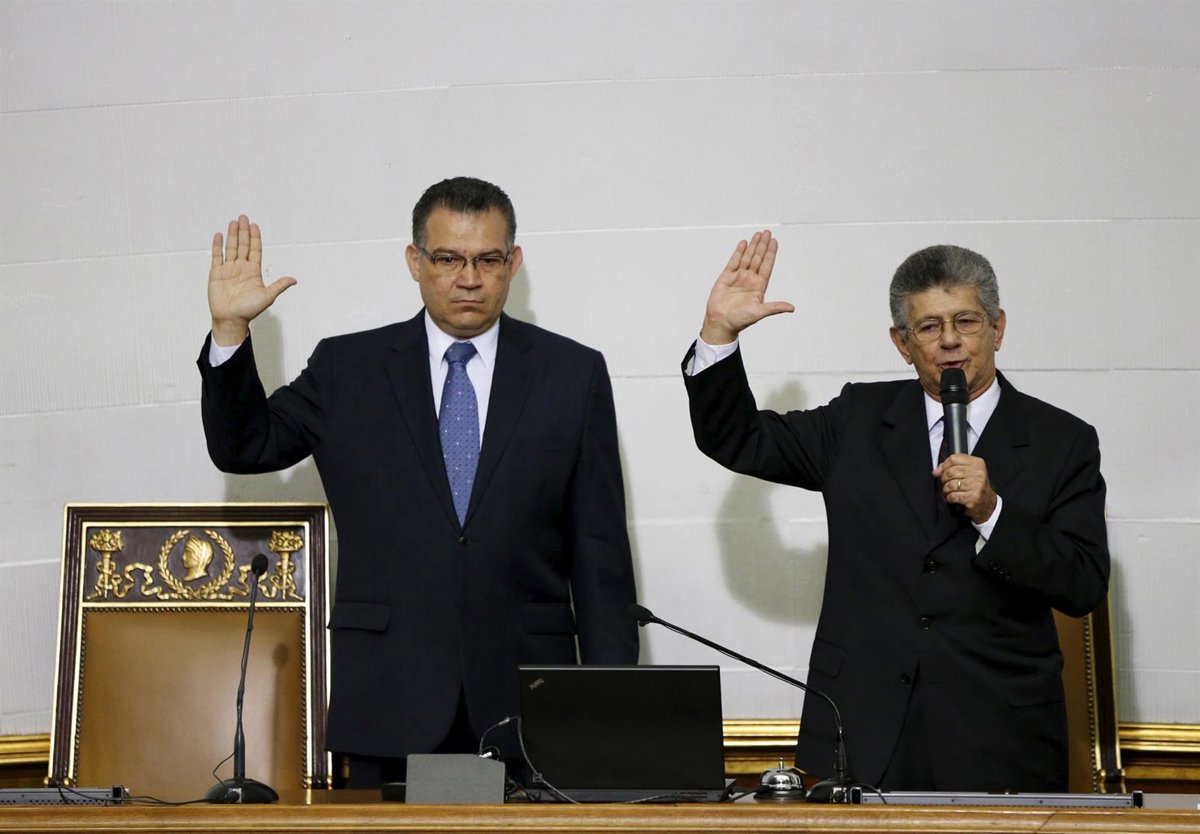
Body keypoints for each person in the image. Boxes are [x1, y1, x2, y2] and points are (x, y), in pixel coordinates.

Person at [198, 177, 639, 787]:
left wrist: (611, 708)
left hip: (530, 709)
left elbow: (600, 557)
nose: (469, 277)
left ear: (513, 263)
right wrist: (230, 334)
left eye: (487, 259)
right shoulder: (347, 369)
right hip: (390, 703)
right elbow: (243, 447)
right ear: (415, 261)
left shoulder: (573, 374)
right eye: (448, 258)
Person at [682, 233, 1109, 793]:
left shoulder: (1062, 441)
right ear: (902, 344)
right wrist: (719, 334)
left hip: (1002, 736)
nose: (951, 341)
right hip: (863, 728)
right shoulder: (858, 418)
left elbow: (1083, 585)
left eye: (967, 321)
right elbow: (737, 439)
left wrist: (993, 513)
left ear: (998, 327)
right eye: (929, 327)